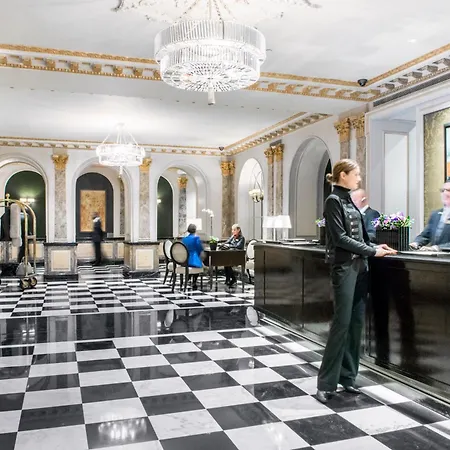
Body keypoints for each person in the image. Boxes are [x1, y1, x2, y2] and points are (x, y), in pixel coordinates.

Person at [316, 159, 397, 404]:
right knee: (341, 325)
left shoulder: (348, 199)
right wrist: (372, 251)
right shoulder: (333, 200)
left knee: (355, 325)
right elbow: (340, 238)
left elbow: (358, 236)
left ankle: (347, 378)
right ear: (343, 175)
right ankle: (325, 384)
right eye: (356, 174)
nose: (359, 178)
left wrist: (376, 246)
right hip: (344, 269)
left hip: (360, 267)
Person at [410, 178, 450, 251]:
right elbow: (425, 236)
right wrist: (416, 243)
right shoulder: (436, 214)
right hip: (435, 257)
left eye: (448, 190)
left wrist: (437, 248)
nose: (445, 193)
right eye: (442, 190)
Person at [182, 223, 204, 290]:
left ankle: (188, 277)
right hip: (194, 259)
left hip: (184, 260)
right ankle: (194, 281)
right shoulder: (196, 238)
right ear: (195, 230)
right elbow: (199, 249)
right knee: (198, 264)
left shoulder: (184, 239)